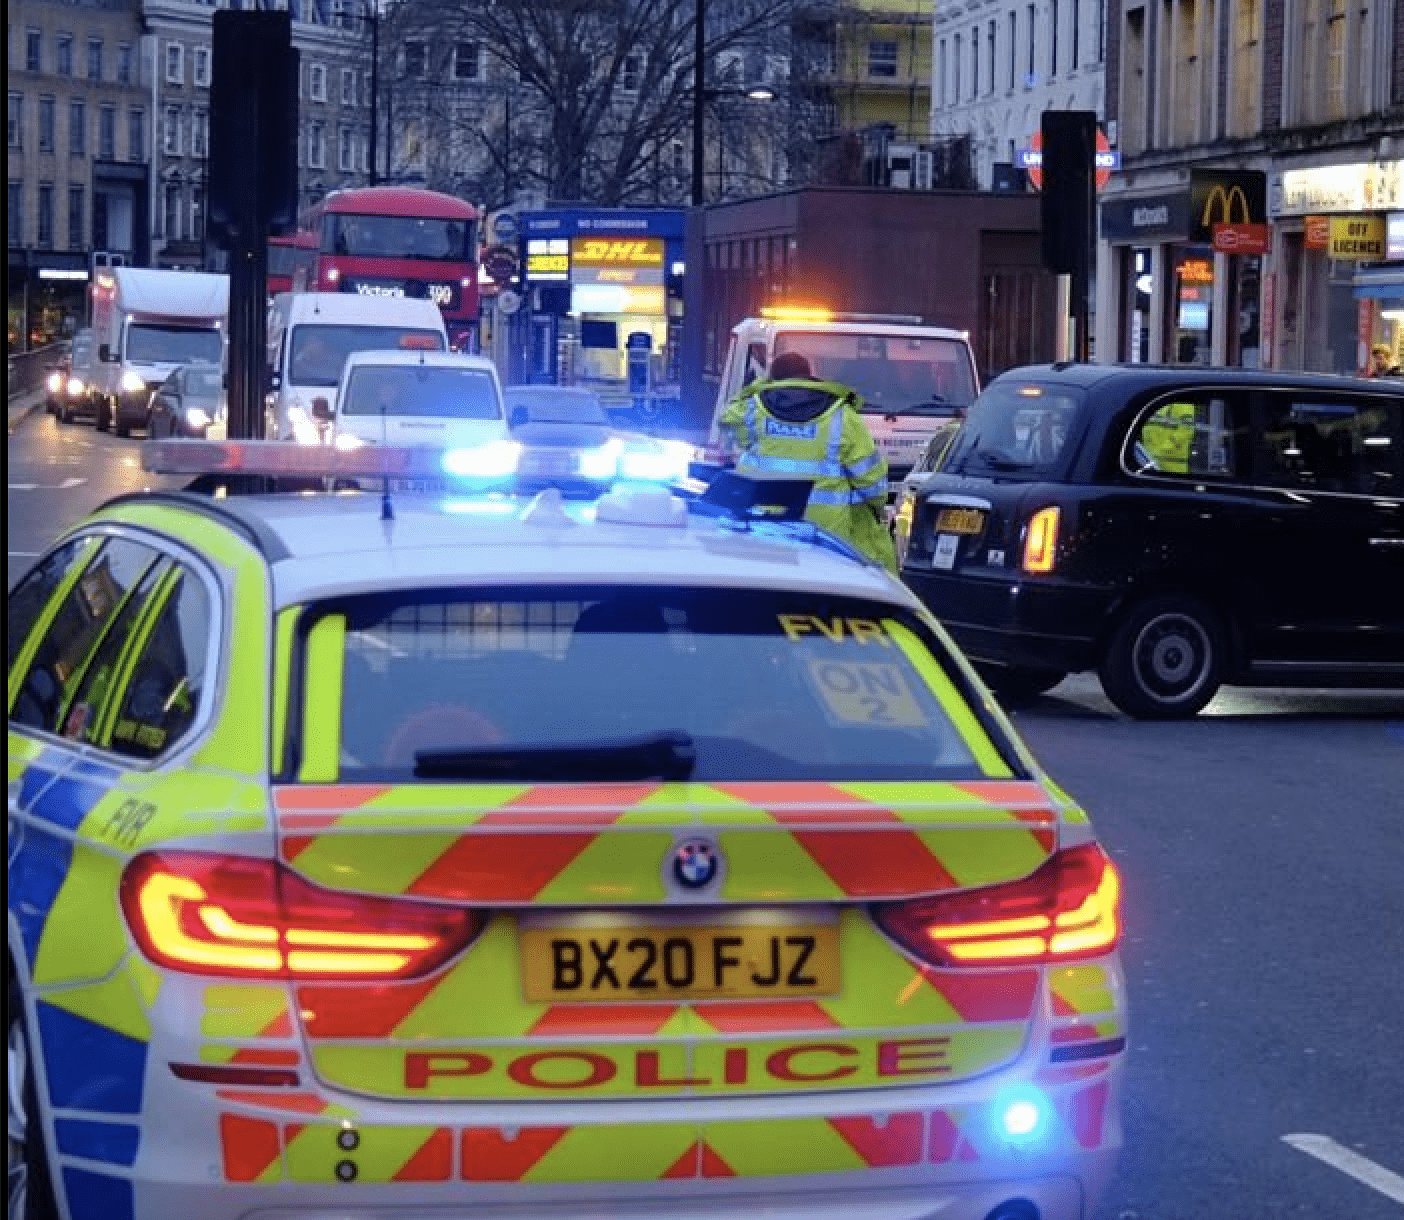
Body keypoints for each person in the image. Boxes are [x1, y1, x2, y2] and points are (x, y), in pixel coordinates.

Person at [719, 351, 898, 573]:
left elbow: (726, 419)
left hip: (764, 523)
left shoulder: (754, 409)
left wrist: (753, 389)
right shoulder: (841, 413)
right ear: (809, 375)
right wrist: (878, 503)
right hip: (824, 531)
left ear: (773, 379)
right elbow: (872, 483)